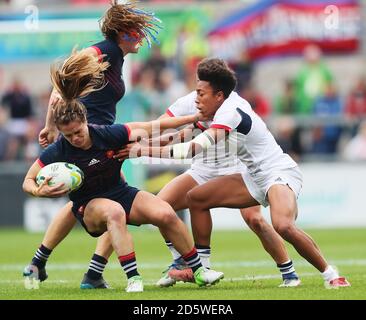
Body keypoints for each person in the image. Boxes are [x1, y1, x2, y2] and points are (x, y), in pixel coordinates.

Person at [127, 58, 351, 289]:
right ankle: (200, 267)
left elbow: (191, 148)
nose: (196, 99)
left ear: (219, 95)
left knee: (281, 225)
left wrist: (142, 150)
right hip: (252, 176)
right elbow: (177, 132)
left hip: (277, 171)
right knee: (196, 198)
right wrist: (134, 142)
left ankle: (331, 274)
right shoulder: (212, 107)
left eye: (201, 93)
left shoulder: (231, 111)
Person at [22, 51, 224, 292]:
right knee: (115, 213)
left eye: (78, 132)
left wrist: (194, 117)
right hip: (89, 205)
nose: (75, 138)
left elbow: (151, 127)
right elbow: (28, 179)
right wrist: (38, 191)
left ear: (86, 121)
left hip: (120, 191)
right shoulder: (58, 150)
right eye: (68, 135)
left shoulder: (108, 134)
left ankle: (198, 270)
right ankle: (134, 278)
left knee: (166, 214)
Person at [23, 1, 166, 289]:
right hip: (92, 137)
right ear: (123, 31)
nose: (141, 35)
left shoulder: (116, 56)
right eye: (136, 30)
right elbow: (64, 77)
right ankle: (86, 271)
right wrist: (51, 125)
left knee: (92, 200)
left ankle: (50, 264)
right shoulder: (107, 49)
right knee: (114, 201)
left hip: (96, 136)